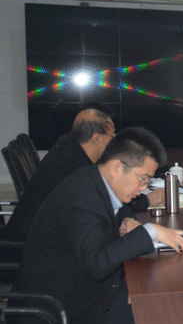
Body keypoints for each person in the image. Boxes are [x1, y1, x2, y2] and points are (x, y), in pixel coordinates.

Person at [7, 127, 183, 324]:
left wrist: (127, 219)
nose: (143, 188)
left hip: (76, 290)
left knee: (151, 296)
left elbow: (116, 206)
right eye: (143, 179)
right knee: (156, 312)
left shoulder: (93, 180)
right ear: (116, 167)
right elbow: (98, 263)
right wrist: (149, 232)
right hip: (57, 312)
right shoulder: (81, 197)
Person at [1, 103, 163, 244]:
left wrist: (127, 216)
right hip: (27, 246)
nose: (114, 141)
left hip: (39, 238)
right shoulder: (73, 166)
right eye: (112, 136)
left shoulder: (70, 148)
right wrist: (146, 202)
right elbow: (105, 204)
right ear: (96, 139)